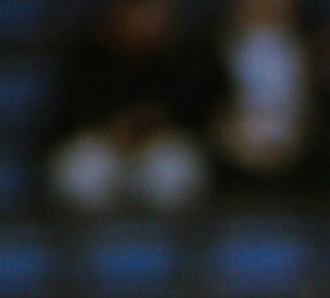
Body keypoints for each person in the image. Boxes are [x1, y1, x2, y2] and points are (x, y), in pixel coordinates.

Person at [43, 0, 223, 215]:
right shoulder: (88, 55)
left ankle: (169, 245)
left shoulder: (185, 57)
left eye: (156, 13)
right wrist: (112, 131)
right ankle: (88, 245)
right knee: (83, 172)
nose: (149, 21)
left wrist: (153, 127)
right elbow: (66, 117)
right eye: (141, 13)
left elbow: (198, 115)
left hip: (160, 146)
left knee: (176, 170)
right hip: (104, 146)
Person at [209, 0, 330, 194]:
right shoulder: (216, 48)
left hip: (297, 151)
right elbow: (209, 109)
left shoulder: (308, 48)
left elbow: (318, 112)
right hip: (234, 152)